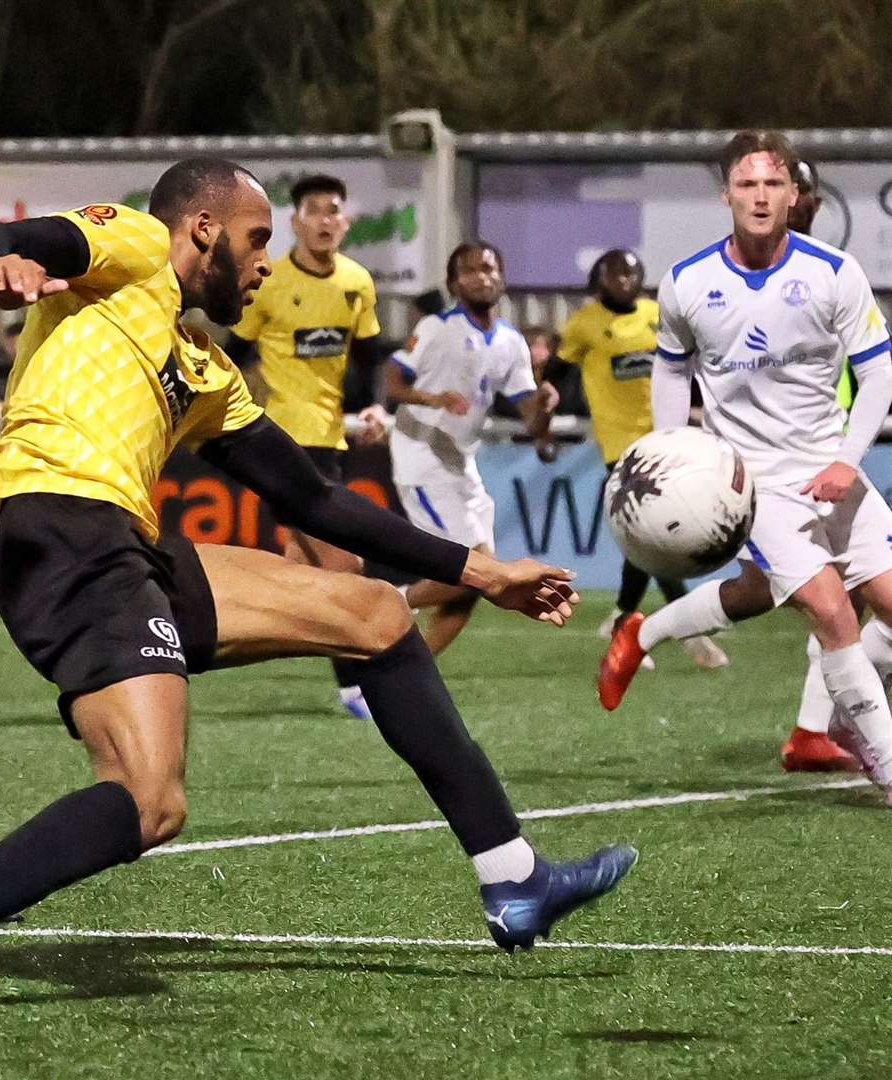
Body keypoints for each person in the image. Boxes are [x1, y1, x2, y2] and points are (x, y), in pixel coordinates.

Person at [0, 159, 635, 1017]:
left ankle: (513, 877)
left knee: (376, 613)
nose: (266, 262)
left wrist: (479, 568)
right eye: (257, 239)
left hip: (126, 545)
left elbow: (312, 501)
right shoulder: (129, 246)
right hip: (62, 530)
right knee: (149, 800)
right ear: (202, 230)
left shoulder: (202, 369)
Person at [598, 131, 892, 804]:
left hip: (830, 471)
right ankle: (877, 752)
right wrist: (674, 452)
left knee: (811, 600)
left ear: (794, 194)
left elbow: (877, 377)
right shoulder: (688, 283)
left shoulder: (833, 272)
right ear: (725, 194)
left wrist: (847, 462)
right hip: (750, 480)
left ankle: (648, 635)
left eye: (772, 184)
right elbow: (671, 367)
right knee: (831, 611)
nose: (759, 197)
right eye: (746, 184)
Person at [225, 173, 390, 720]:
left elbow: (367, 360)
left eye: (333, 211)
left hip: (331, 438)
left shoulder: (357, 282)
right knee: (346, 562)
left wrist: (371, 407)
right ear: (294, 221)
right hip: (282, 440)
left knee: (304, 572)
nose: (324, 220)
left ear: (345, 221)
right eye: (313, 211)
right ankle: (356, 685)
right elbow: (233, 351)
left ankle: (201, 635)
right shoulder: (268, 281)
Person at [362, 242, 560, 656]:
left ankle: (403, 670)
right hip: (421, 457)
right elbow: (393, 379)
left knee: (474, 584)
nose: (480, 276)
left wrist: (543, 407)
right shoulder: (437, 328)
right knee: (470, 574)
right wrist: (434, 400)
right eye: (469, 271)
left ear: (502, 278)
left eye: (488, 268)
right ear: (454, 283)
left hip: (460, 463)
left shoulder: (511, 341)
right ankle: (377, 605)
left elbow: (531, 421)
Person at [552, 249, 730, 672]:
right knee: (651, 534)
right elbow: (553, 376)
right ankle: (688, 628)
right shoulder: (585, 324)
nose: (624, 279)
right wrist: (543, 410)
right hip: (622, 447)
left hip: (667, 439)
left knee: (645, 537)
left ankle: (622, 621)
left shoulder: (656, 313)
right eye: (615, 272)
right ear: (601, 278)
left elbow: (687, 364)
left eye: (631, 271)